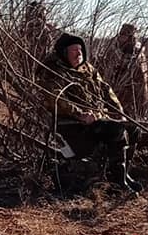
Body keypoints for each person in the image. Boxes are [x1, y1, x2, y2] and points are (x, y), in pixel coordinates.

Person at [37, 32, 141, 192]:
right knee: (116, 131)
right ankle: (118, 183)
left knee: (133, 129)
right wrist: (80, 114)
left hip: (97, 120)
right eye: (73, 50)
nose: (78, 53)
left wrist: (117, 110)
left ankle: (123, 174)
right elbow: (56, 99)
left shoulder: (87, 68)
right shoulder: (52, 71)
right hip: (72, 126)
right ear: (64, 53)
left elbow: (105, 88)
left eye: (80, 49)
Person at [106, 23, 148, 118]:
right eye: (120, 34)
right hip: (113, 97)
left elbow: (142, 82)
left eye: (123, 35)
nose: (120, 37)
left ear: (131, 37)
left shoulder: (137, 55)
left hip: (130, 99)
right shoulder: (114, 52)